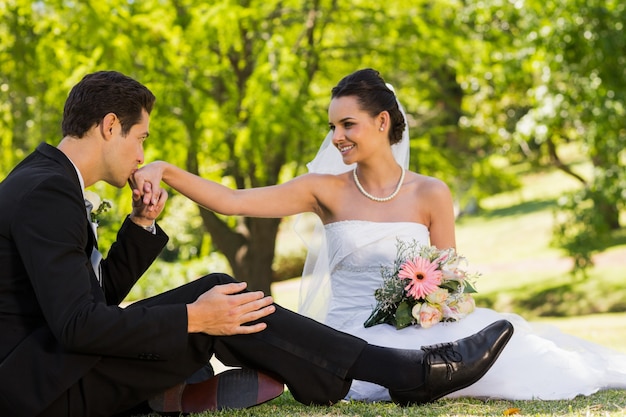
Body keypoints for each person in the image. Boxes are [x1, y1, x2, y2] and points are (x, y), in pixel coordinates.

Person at [0, 70, 515, 417]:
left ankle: (364, 374)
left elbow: (93, 303)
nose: (141, 155)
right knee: (213, 303)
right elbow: (78, 326)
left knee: (219, 292)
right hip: (41, 388)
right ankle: (400, 372)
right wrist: (192, 319)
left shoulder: (51, 180)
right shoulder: (48, 190)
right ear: (111, 126)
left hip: (55, 366)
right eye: (141, 140)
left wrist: (138, 227)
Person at [134, 68, 626, 402]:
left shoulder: (432, 193)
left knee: (515, 350)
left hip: (421, 328)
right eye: (332, 127)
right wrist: (167, 170)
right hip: (347, 332)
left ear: (382, 122)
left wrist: (435, 305)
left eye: (347, 124)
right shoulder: (321, 190)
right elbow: (233, 200)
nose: (337, 137)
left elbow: (449, 279)